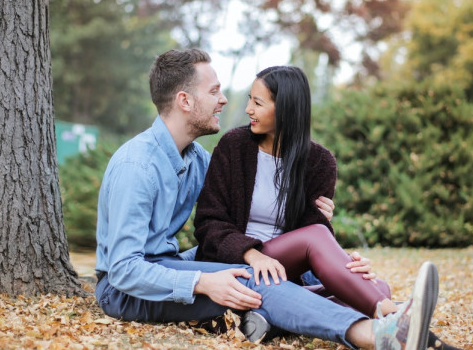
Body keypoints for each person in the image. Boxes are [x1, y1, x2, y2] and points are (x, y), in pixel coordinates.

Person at [94, 48, 438, 350]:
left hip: (167, 266)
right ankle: (378, 334)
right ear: (185, 100)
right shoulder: (136, 166)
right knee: (256, 280)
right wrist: (204, 281)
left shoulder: (196, 158)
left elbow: (268, 218)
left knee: (258, 282)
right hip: (126, 290)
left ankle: (272, 320)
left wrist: (333, 249)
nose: (227, 101)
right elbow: (124, 269)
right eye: (214, 91)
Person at [193, 65, 456, 348]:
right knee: (336, 254)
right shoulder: (234, 146)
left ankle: (267, 320)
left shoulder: (319, 162)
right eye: (250, 99)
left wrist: (347, 265)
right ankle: (396, 318)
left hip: (285, 275)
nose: (247, 109)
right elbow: (209, 222)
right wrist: (252, 254)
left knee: (377, 287)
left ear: (286, 108)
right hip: (237, 264)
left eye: (257, 102)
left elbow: (312, 237)